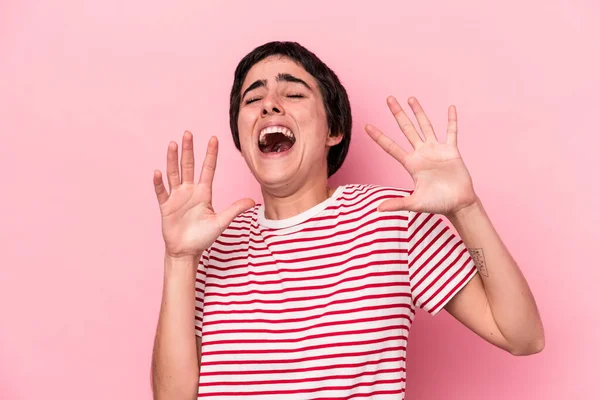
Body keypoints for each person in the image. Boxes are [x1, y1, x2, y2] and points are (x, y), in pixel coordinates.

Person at [150, 41, 544, 400]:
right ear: (240, 135)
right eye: (253, 99)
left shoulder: (393, 218)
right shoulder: (214, 243)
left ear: (333, 130)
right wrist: (180, 260)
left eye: (292, 93)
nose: (270, 104)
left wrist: (466, 208)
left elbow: (522, 336)